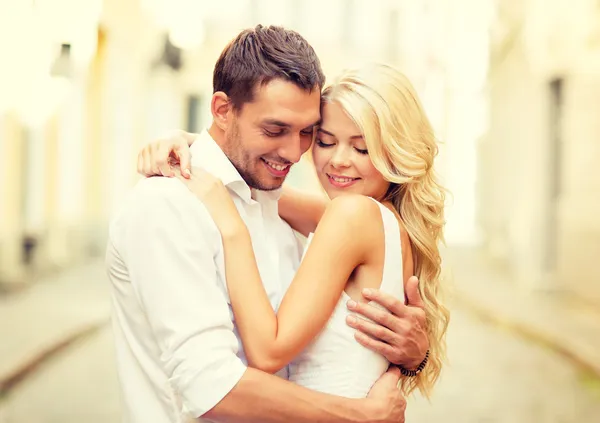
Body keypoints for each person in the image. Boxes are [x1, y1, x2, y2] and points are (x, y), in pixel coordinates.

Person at [107, 25, 426, 423]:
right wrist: (361, 415)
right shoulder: (167, 206)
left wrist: (414, 355)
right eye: (275, 130)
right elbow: (211, 385)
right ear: (222, 110)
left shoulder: (280, 207)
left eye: (307, 133)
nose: (294, 153)